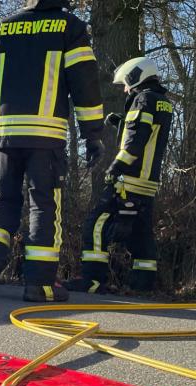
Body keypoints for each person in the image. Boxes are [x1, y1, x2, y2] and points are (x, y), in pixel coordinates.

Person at [0, 0, 104, 302]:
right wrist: (93, 134)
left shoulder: (0, 28)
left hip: (0, 133)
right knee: (43, 203)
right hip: (45, 134)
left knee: (2, 199)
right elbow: (85, 82)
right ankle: (39, 284)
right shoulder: (69, 27)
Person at [65, 57, 173, 294]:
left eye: (126, 83)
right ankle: (143, 287)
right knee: (140, 234)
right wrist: (122, 123)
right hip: (147, 183)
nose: (125, 89)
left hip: (128, 181)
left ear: (136, 76)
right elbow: (147, 134)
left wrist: (116, 167)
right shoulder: (162, 102)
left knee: (96, 225)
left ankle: (92, 281)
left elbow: (136, 142)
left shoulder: (142, 99)